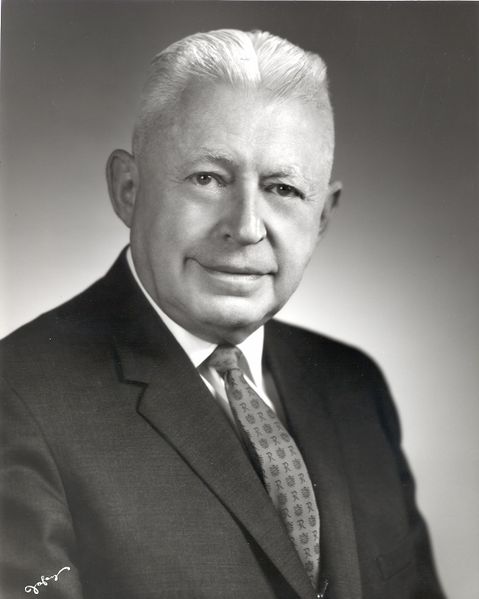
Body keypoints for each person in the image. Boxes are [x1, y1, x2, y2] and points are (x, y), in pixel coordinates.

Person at [0, 29, 445, 599]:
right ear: (128, 189)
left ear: (323, 218)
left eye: (283, 188)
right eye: (208, 178)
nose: (246, 227)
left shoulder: (354, 385)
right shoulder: (19, 399)